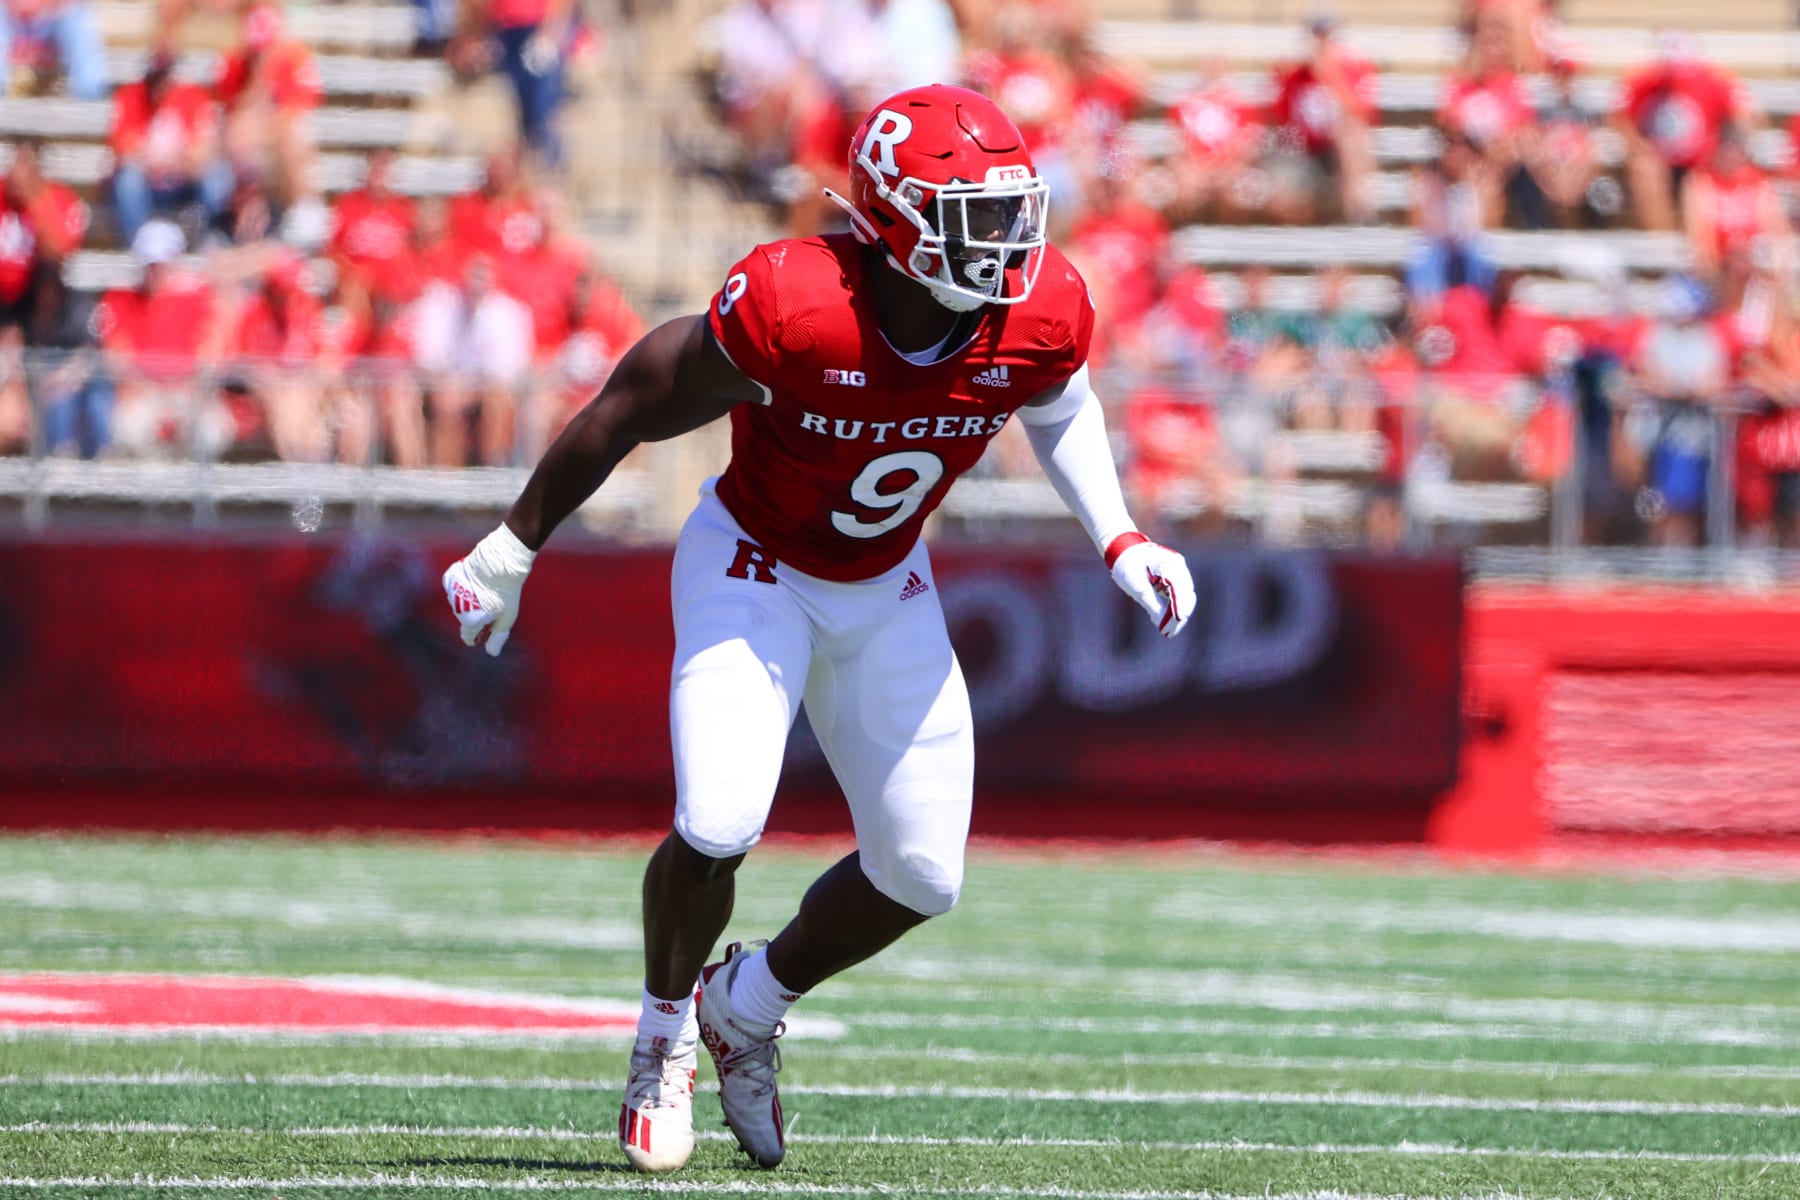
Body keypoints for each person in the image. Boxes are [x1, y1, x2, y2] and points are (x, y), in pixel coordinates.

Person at [439, 84, 1194, 1174]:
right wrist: (512, 547)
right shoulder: (799, 304)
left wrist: (1120, 537)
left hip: (886, 581)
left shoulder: (1039, 309)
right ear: (893, 222)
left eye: (1011, 210)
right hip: (754, 566)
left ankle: (744, 1005)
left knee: (924, 874)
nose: (1011, 242)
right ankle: (660, 1040)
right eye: (977, 217)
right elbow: (633, 400)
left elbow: (1060, 397)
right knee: (718, 818)